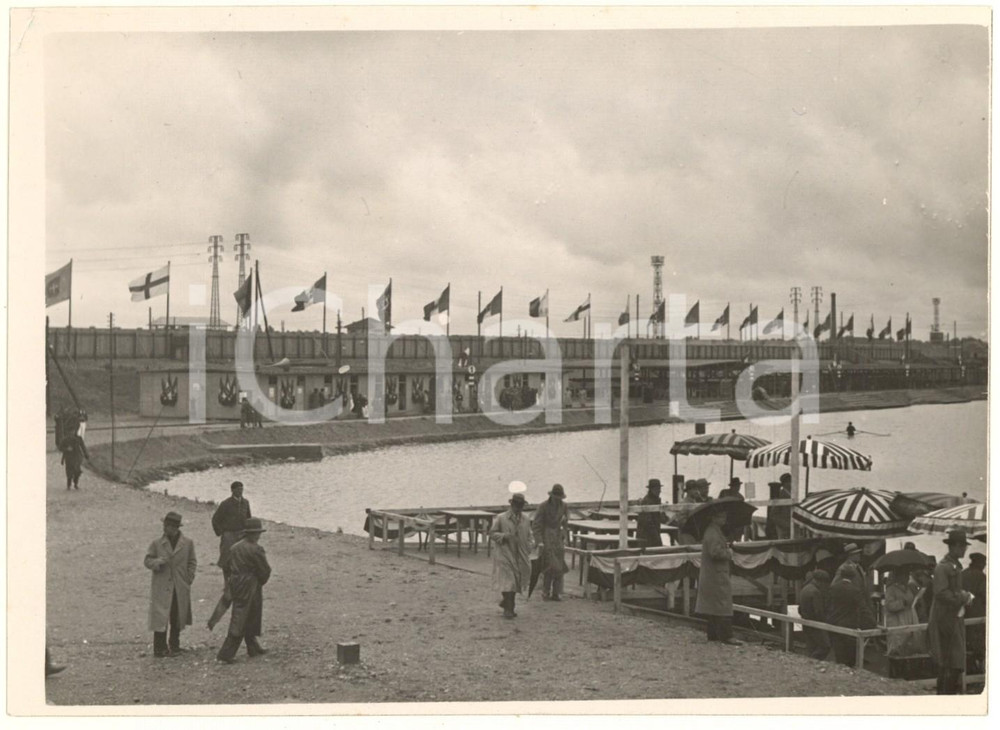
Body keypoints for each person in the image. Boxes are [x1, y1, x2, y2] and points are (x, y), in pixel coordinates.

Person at [217, 518, 272, 663]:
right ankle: (226, 654)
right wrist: (259, 580)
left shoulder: (235, 547)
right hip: (251, 585)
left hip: (237, 584)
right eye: (258, 533)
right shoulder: (256, 549)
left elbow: (227, 566)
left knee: (244, 614)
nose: (259, 536)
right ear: (254, 534)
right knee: (243, 617)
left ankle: (252, 647)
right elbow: (265, 570)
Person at [144, 512, 197, 658]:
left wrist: (188, 578)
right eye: (164, 525)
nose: (164, 528)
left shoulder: (187, 543)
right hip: (162, 586)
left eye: (167, 526)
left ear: (174, 528)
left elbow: (192, 562)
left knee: (177, 616)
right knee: (161, 616)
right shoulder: (157, 543)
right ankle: (159, 648)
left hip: (179, 585)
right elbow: (147, 561)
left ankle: (175, 645)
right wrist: (157, 563)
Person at [928, 531, 974, 694]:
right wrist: (963, 596)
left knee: (954, 662)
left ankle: (947, 696)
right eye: (962, 546)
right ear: (954, 546)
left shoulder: (954, 566)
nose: (964, 550)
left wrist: (963, 595)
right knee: (949, 662)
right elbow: (941, 593)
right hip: (945, 620)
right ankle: (944, 698)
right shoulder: (943, 567)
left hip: (953, 618)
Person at [208, 481, 253, 630]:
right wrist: (222, 532)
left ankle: (238, 581)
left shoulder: (245, 503)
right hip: (229, 535)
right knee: (226, 560)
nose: (240, 491)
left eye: (242, 489)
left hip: (241, 534)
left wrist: (248, 533)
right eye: (238, 489)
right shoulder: (226, 504)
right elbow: (215, 519)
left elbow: (248, 518)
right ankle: (227, 583)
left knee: (240, 560)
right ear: (232, 490)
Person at [694, 508, 741, 645]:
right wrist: (729, 552)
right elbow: (715, 553)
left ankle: (713, 634)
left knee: (713, 605)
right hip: (716, 574)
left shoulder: (712, 531)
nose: (724, 519)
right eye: (721, 517)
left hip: (713, 574)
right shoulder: (713, 533)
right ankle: (727, 635)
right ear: (714, 518)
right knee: (723, 603)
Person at [490, 492, 533, 619]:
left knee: (516, 580)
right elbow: (492, 533)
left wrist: (530, 546)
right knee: (508, 581)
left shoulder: (525, 519)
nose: (518, 508)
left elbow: (530, 535)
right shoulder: (501, 518)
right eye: (517, 505)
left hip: (520, 554)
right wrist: (504, 536)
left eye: (521, 505)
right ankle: (509, 609)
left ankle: (506, 603)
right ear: (512, 504)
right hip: (504, 553)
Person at [826, 562, 876, 667]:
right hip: (849, 626)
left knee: (839, 656)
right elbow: (863, 609)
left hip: (834, 624)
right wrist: (872, 623)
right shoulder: (855, 590)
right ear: (853, 577)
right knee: (850, 658)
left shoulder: (833, 588)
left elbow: (828, 605)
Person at [532, 484, 569, 601]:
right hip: (546, 537)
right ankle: (545, 591)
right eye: (556, 497)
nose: (558, 499)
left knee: (560, 565)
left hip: (558, 538)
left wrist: (565, 535)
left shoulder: (564, 506)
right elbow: (536, 525)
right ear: (551, 496)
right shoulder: (543, 506)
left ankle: (557, 592)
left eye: (560, 497)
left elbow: (565, 523)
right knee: (549, 565)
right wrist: (539, 541)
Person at [884, 567, 925, 657]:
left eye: (907, 575)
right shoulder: (891, 589)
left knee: (910, 644)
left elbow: (912, 601)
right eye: (904, 575)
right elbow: (889, 605)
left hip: (909, 618)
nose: (907, 578)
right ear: (898, 576)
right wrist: (903, 603)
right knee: (897, 645)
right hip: (897, 620)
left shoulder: (908, 589)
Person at [798, 569, 831, 660]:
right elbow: (818, 611)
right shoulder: (815, 592)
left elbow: (799, 608)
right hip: (815, 624)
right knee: (825, 646)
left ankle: (810, 664)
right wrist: (826, 623)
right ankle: (812, 661)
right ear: (820, 581)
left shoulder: (805, 589)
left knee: (811, 647)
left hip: (806, 621)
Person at [962, 552, 986, 674]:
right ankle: (979, 669)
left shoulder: (963, 574)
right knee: (979, 642)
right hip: (978, 613)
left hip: (963, 612)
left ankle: (969, 669)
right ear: (980, 563)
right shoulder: (981, 577)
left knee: (966, 642)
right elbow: (985, 594)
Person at [636, 478, 666, 547]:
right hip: (646, 536)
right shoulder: (647, 501)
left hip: (653, 534)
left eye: (659, 489)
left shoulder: (655, 500)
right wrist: (657, 537)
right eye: (657, 489)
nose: (660, 491)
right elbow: (647, 522)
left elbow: (661, 519)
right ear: (652, 489)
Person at [766, 473, 792, 540]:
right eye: (789, 482)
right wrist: (786, 525)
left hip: (791, 527)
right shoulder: (780, 496)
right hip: (783, 529)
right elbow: (773, 515)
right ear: (785, 483)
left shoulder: (791, 495)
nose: (791, 484)